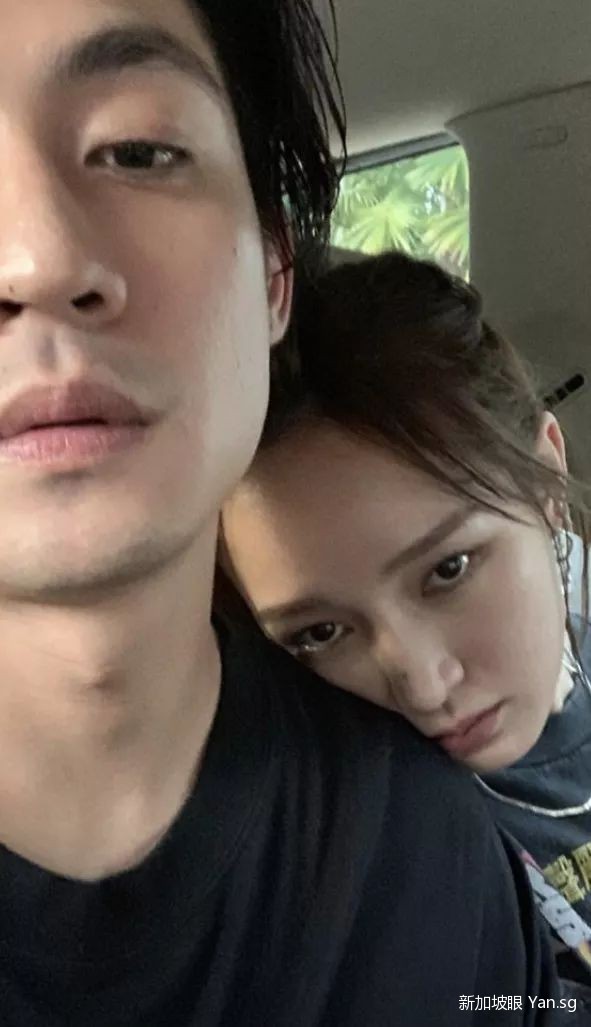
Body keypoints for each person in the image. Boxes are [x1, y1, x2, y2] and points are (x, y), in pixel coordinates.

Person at [0, 2, 564, 1024]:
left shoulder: (426, 849)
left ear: (273, 271)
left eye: (138, 149)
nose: (37, 261)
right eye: (319, 629)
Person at [221, 250, 591, 1007]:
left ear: (547, 478)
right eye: (319, 633)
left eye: (448, 569)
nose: (423, 687)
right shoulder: (358, 857)